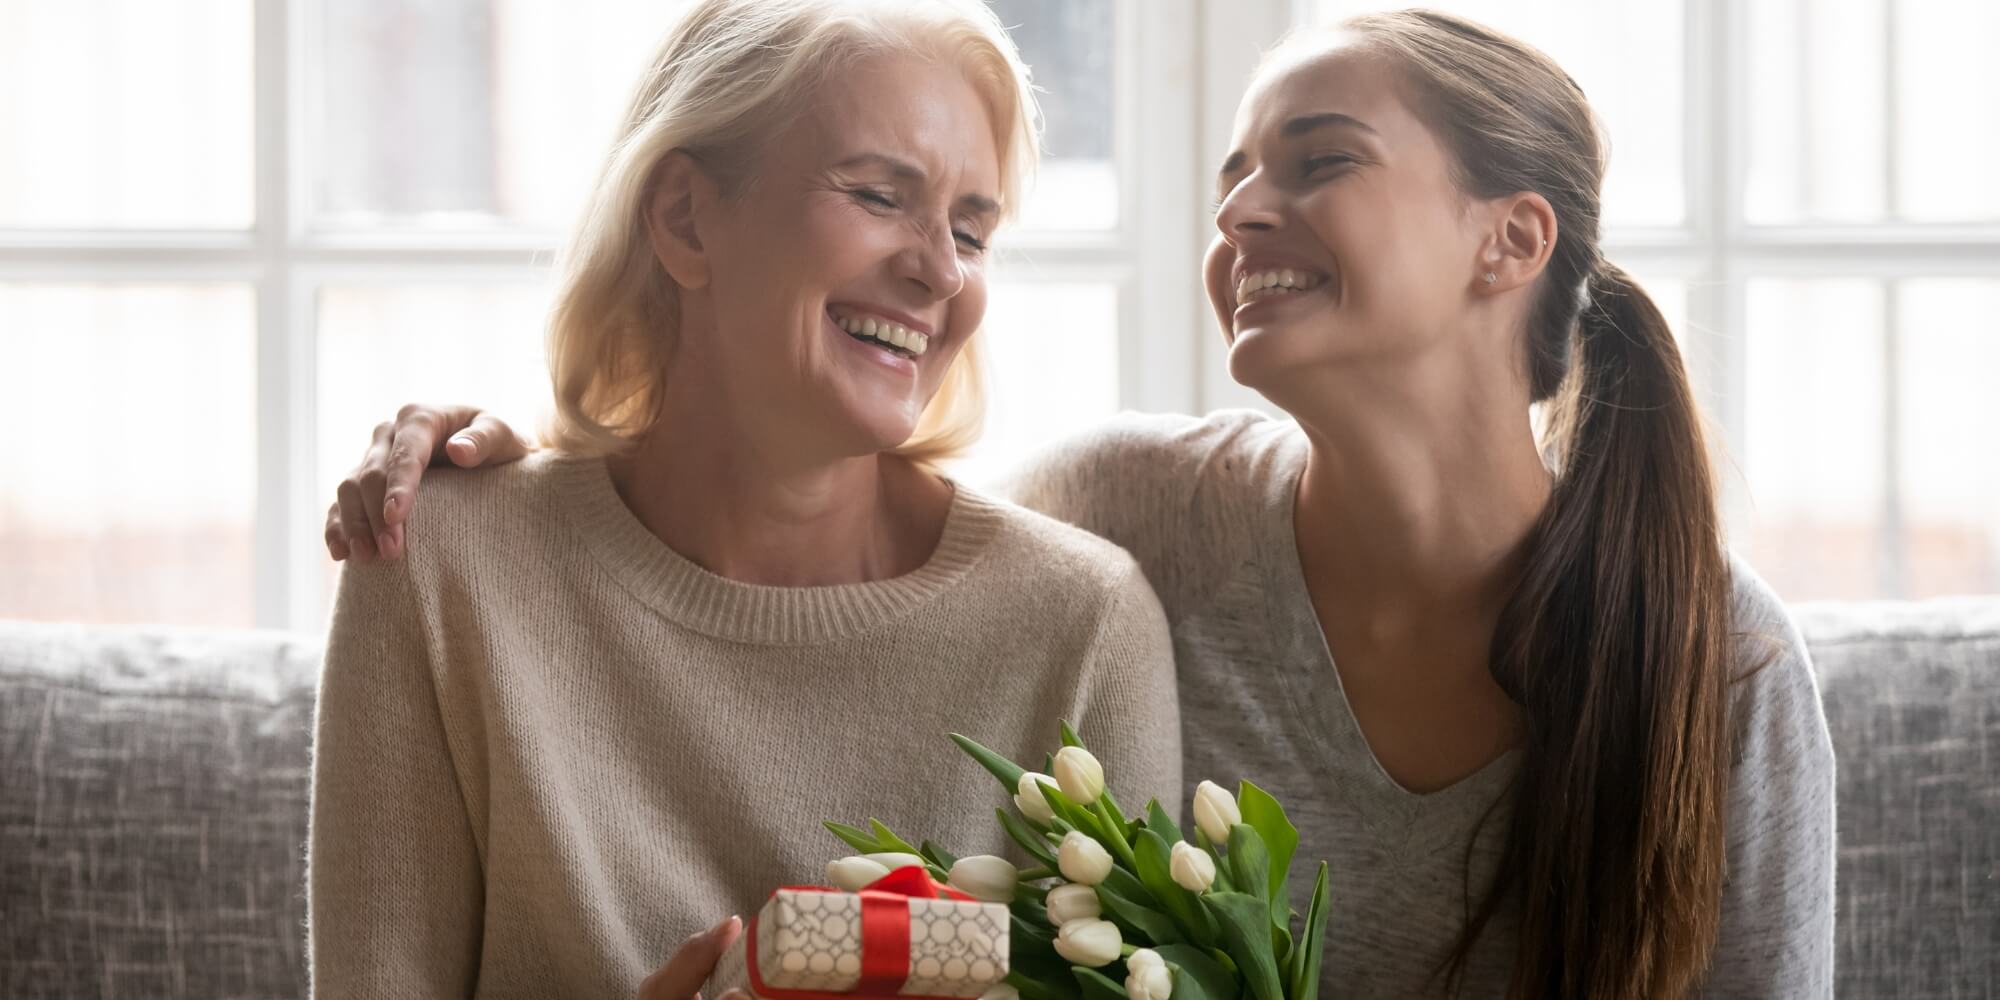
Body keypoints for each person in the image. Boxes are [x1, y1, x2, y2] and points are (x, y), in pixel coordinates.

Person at [328, 9, 1835, 998]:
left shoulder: (1719, 666)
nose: (1239, 210)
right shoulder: (1133, 525)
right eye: (1235, 171)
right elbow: (778, 502)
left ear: (1511, 241)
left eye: (1318, 164)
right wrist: (500, 469)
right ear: (682, 214)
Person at [305, 1, 1182, 997]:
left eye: (971, 230)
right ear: (684, 218)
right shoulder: (436, 565)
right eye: (877, 195)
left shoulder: (1080, 624)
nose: (940, 269)